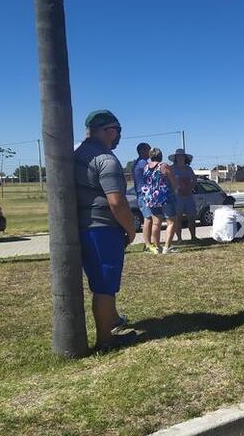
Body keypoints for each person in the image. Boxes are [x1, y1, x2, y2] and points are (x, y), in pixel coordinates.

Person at [74, 110, 137, 350]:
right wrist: (130, 230)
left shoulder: (78, 154)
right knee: (104, 287)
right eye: (118, 130)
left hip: (85, 228)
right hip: (102, 230)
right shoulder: (106, 160)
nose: (119, 136)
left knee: (101, 284)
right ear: (108, 130)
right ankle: (106, 341)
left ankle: (113, 321)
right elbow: (116, 202)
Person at [143, 148, 180, 254]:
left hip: (151, 198)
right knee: (171, 221)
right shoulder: (163, 166)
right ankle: (167, 246)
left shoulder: (146, 167)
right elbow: (173, 181)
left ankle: (157, 246)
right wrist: (176, 189)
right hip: (165, 197)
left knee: (156, 223)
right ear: (160, 155)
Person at [169, 148, 198, 242]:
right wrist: (176, 189)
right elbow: (168, 182)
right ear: (175, 158)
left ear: (185, 158)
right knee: (178, 218)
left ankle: (193, 237)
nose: (180, 158)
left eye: (182, 156)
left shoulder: (188, 169)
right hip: (177, 197)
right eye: (178, 156)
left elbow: (194, 179)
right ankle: (179, 238)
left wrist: (190, 188)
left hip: (188, 196)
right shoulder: (171, 169)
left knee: (192, 217)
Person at [132, 142, 154, 253]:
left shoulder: (138, 162)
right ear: (142, 151)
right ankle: (147, 244)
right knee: (148, 218)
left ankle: (149, 242)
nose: (150, 152)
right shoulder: (143, 163)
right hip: (144, 194)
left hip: (142, 193)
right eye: (148, 150)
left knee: (149, 218)